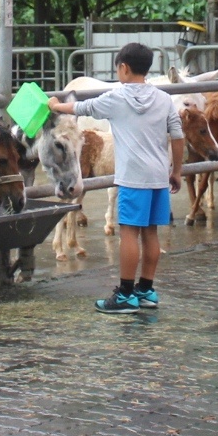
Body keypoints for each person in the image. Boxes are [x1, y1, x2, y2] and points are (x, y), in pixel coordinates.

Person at [49, 42, 183, 314]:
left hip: (133, 178)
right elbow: (177, 135)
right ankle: (145, 290)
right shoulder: (164, 98)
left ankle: (124, 294)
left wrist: (55, 105)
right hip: (158, 176)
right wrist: (176, 170)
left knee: (130, 234)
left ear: (123, 68)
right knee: (151, 234)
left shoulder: (116, 98)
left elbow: (82, 108)